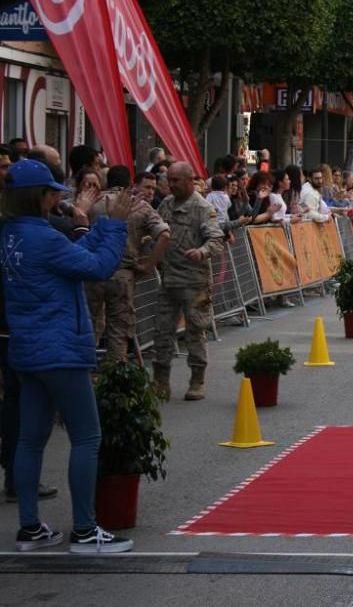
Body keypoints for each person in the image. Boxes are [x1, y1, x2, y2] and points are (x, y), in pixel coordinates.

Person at [1, 159, 134, 553]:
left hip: (27, 347)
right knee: (87, 437)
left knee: (30, 440)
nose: (57, 197)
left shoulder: (12, 233)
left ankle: (30, 528)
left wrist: (89, 220)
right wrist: (114, 224)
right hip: (60, 347)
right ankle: (85, 530)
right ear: (40, 197)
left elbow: (71, 256)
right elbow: (98, 267)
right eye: (52, 192)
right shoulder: (41, 237)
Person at [152, 163, 225, 401]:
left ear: (189, 181)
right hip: (169, 280)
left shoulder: (202, 208)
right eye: (169, 180)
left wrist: (201, 252)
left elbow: (216, 239)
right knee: (162, 332)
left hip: (195, 282)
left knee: (196, 331)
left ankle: (197, 380)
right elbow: (158, 229)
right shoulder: (166, 205)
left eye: (175, 180)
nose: (170, 184)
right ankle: (161, 381)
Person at [85, 166, 171, 364]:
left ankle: (84, 371)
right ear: (130, 184)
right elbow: (165, 235)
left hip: (93, 270)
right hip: (122, 272)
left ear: (107, 182)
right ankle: (116, 374)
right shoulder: (140, 206)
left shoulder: (94, 203)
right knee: (119, 327)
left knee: (89, 322)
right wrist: (149, 265)